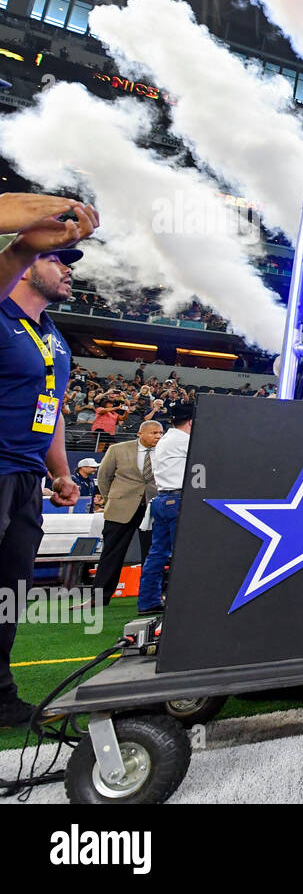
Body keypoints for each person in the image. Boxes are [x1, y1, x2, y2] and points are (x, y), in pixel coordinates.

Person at [0, 202, 95, 728]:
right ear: (29, 261)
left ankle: (0, 693)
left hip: (25, 476)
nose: (69, 269)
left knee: (10, 592)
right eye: (59, 258)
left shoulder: (54, 335)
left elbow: (51, 409)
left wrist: (59, 471)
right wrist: (22, 241)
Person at [90, 419, 162, 606]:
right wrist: (111, 499)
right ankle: (99, 598)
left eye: (160, 433)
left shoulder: (165, 451)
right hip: (121, 507)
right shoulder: (118, 449)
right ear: (140, 433)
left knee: (153, 553)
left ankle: (150, 597)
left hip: (152, 507)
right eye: (154, 433)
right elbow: (104, 477)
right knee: (112, 552)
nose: (158, 436)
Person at [136, 404, 194, 615]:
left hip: (163, 499)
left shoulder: (168, 439)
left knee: (158, 553)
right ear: (190, 421)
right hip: (177, 499)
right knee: (184, 552)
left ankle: (148, 600)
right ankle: (182, 602)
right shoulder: (184, 440)